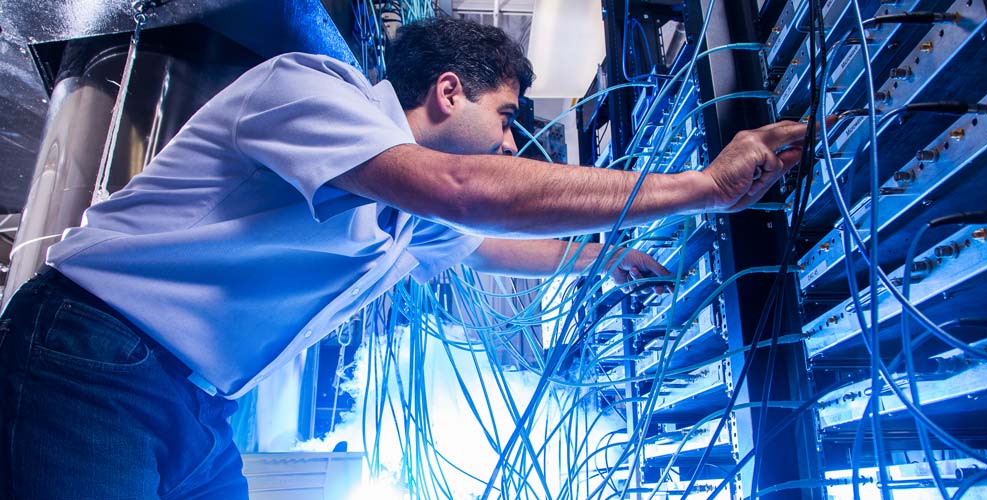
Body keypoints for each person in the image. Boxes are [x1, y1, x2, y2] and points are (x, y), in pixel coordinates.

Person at [0, 16, 806, 500]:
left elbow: (486, 245)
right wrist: (701, 186)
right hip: (93, 358)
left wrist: (606, 258)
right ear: (449, 92)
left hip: (194, 401)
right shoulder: (312, 91)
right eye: (504, 114)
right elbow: (462, 189)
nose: (508, 137)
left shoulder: (398, 211)